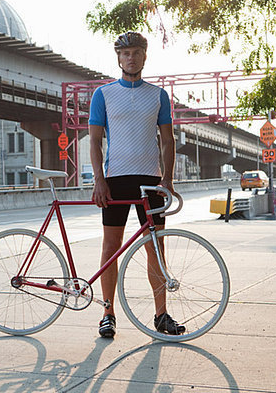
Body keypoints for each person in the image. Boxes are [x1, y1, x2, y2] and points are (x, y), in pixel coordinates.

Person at [88, 31, 186, 338]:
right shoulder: (102, 94)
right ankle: (107, 313)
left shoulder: (158, 95)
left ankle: (161, 315)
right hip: (115, 179)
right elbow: (94, 141)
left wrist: (167, 180)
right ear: (118, 58)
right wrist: (99, 180)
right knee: (110, 247)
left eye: (136, 52)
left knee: (156, 248)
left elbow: (167, 141)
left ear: (145, 56)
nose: (131, 57)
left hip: (150, 181)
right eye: (125, 53)